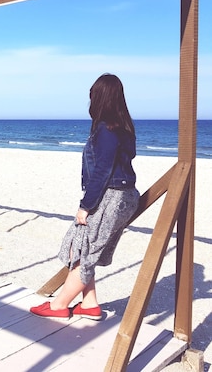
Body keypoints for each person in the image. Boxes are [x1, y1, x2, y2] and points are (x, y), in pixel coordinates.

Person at [30, 73, 140, 321]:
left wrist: (86, 206)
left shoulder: (107, 129)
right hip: (124, 195)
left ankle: (59, 306)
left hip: (110, 197)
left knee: (82, 251)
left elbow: (102, 170)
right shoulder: (124, 128)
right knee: (79, 247)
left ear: (100, 98)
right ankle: (89, 303)